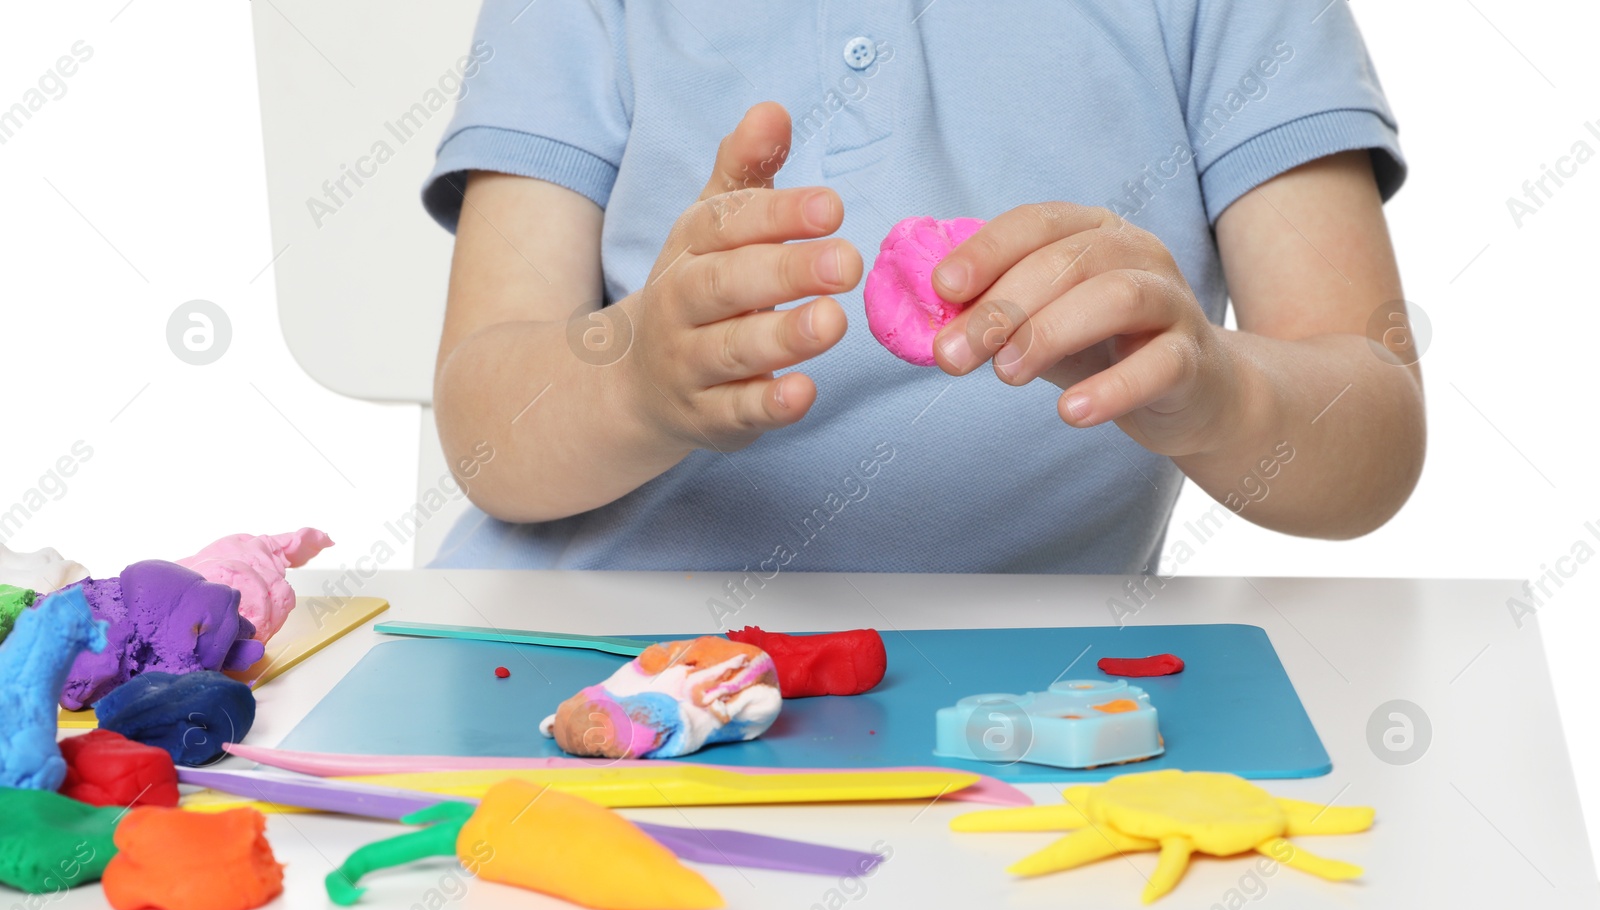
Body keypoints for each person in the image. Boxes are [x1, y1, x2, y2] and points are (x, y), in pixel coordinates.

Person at [421, 0, 1423, 581]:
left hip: (1024, 715)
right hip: (584, 674)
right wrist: (631, 383)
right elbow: (484, 431)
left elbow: (1371, 433)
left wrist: (1227, 395)